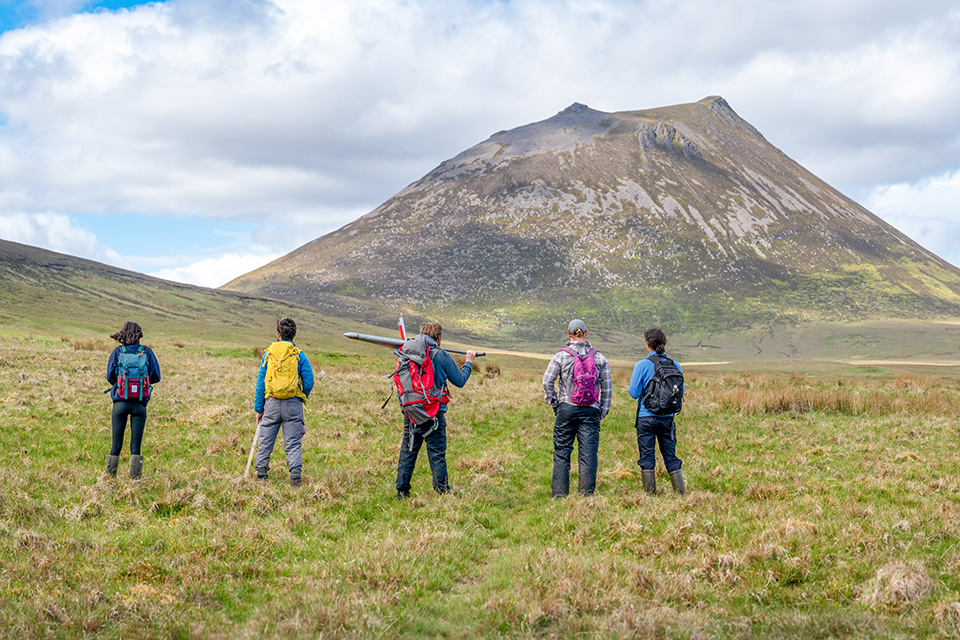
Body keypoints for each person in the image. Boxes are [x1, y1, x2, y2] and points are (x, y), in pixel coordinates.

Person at [395, 322, 476, 499]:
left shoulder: (407, 352)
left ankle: (402, 492)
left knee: (408, 450)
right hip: (433, 413)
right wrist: (469, 362)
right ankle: (442, 491)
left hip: (411, 410)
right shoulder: (441, 355)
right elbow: (460, 380)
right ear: (438, 339)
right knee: (437, 453)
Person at [542, 319, 612, 497]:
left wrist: (555, 403)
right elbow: (608, 388)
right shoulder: (599, 357)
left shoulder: (561, 355)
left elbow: (547, 382)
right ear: (586, 333)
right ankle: (586, 495)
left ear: (568, 334)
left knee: (562, 451)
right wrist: (602, 410)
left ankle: (559, 495)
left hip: (566, 408)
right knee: (588, 454)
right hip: (591, 410)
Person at [254, 317, 315, 486]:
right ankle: (295, 478)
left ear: (278, 334)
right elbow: (309, 381)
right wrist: (299, 396)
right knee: (293, 443)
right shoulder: (299, 355)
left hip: (271, 403)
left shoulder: (268, 355)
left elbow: (261, 384)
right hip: (293, 404)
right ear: (293, 335)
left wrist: (259, 409)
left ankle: (261, 475)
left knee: (265, 441)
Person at [628, 327, 685, 495]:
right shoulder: (676, 365)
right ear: (664, 344)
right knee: (670, 455)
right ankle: (680, 494)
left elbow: (634, 393)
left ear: (648, 345)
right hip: (668, 417)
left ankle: (650, 494)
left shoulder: (642, 365)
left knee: (646, 456)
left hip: (646, 417)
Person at [105, 321, 161, 479]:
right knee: (135, 446)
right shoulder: (147, 352)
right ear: (139, 334)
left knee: (116, 445)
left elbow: (110, 376)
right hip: (139, 405)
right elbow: (156, 377)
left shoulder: (118, 351)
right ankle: (135, 481)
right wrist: (142, 384)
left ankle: (109, 480)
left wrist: (122, 385)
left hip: (120, 404)